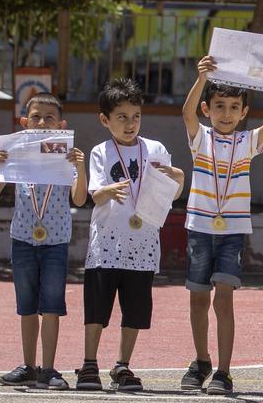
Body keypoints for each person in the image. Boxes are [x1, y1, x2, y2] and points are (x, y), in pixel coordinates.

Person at [178, 55, 263, 394]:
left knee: (222, 300)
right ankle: (201, 361)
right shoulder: (200, 138)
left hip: (233, 232)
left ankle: (224, 372)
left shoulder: (247, 141)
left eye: (234, 107)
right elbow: (186, 112)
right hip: (199, 227)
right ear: (208, 109)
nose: (226, 113)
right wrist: (201, 79)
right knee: (198, 299)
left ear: (243, 112)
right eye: (219, 106)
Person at [77, 79, 186, 392]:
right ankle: (89, 364)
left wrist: (179, 177)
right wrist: (108, 190)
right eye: (121, 117)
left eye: (135, 116)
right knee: (97, 306)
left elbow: (172, 193)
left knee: (135, 310)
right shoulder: (101, 151)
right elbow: (95, 195)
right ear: (105, 120)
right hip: (107, 245)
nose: (129, 123)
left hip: (143, 244)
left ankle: (123, 366)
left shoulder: (155, 149)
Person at [0, 93, 87, 390]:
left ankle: (49, 368)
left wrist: (80, 168)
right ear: (24, 122)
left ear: (61, 124)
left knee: (52, 306)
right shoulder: (16, 150)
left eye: (49, 117)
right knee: (27, 306)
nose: (42, 122)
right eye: (35, 117)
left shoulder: (65, 155)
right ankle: (29, 365)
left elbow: (79, 199)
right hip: (23, 238)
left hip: (55, 240)